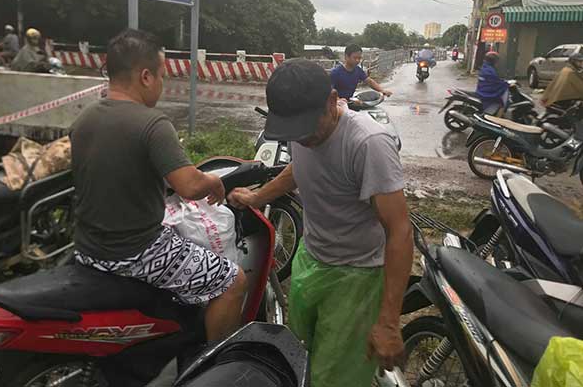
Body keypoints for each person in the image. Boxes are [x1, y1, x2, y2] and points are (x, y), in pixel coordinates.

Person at [228, 59, 413, 387]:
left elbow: (399, 232)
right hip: (311, 261)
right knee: (298, 358)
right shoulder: (303, 132)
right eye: (293, 133)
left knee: (334, 378)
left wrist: (388, 322)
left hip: (356, 278)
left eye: (306, 130)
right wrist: (258, 198)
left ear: (331, 101)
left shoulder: (368, 143)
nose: (302, 140)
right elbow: (297, 168)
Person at [70, 29, 246, 342]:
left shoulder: (85, 119)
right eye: (163, 75)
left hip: (87, 248)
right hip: (136, 251)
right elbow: (190, 186)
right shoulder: (151, 123)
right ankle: (212, 365)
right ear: (146, 76)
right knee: (234, 281)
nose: (164, 84)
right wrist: (214, 180)